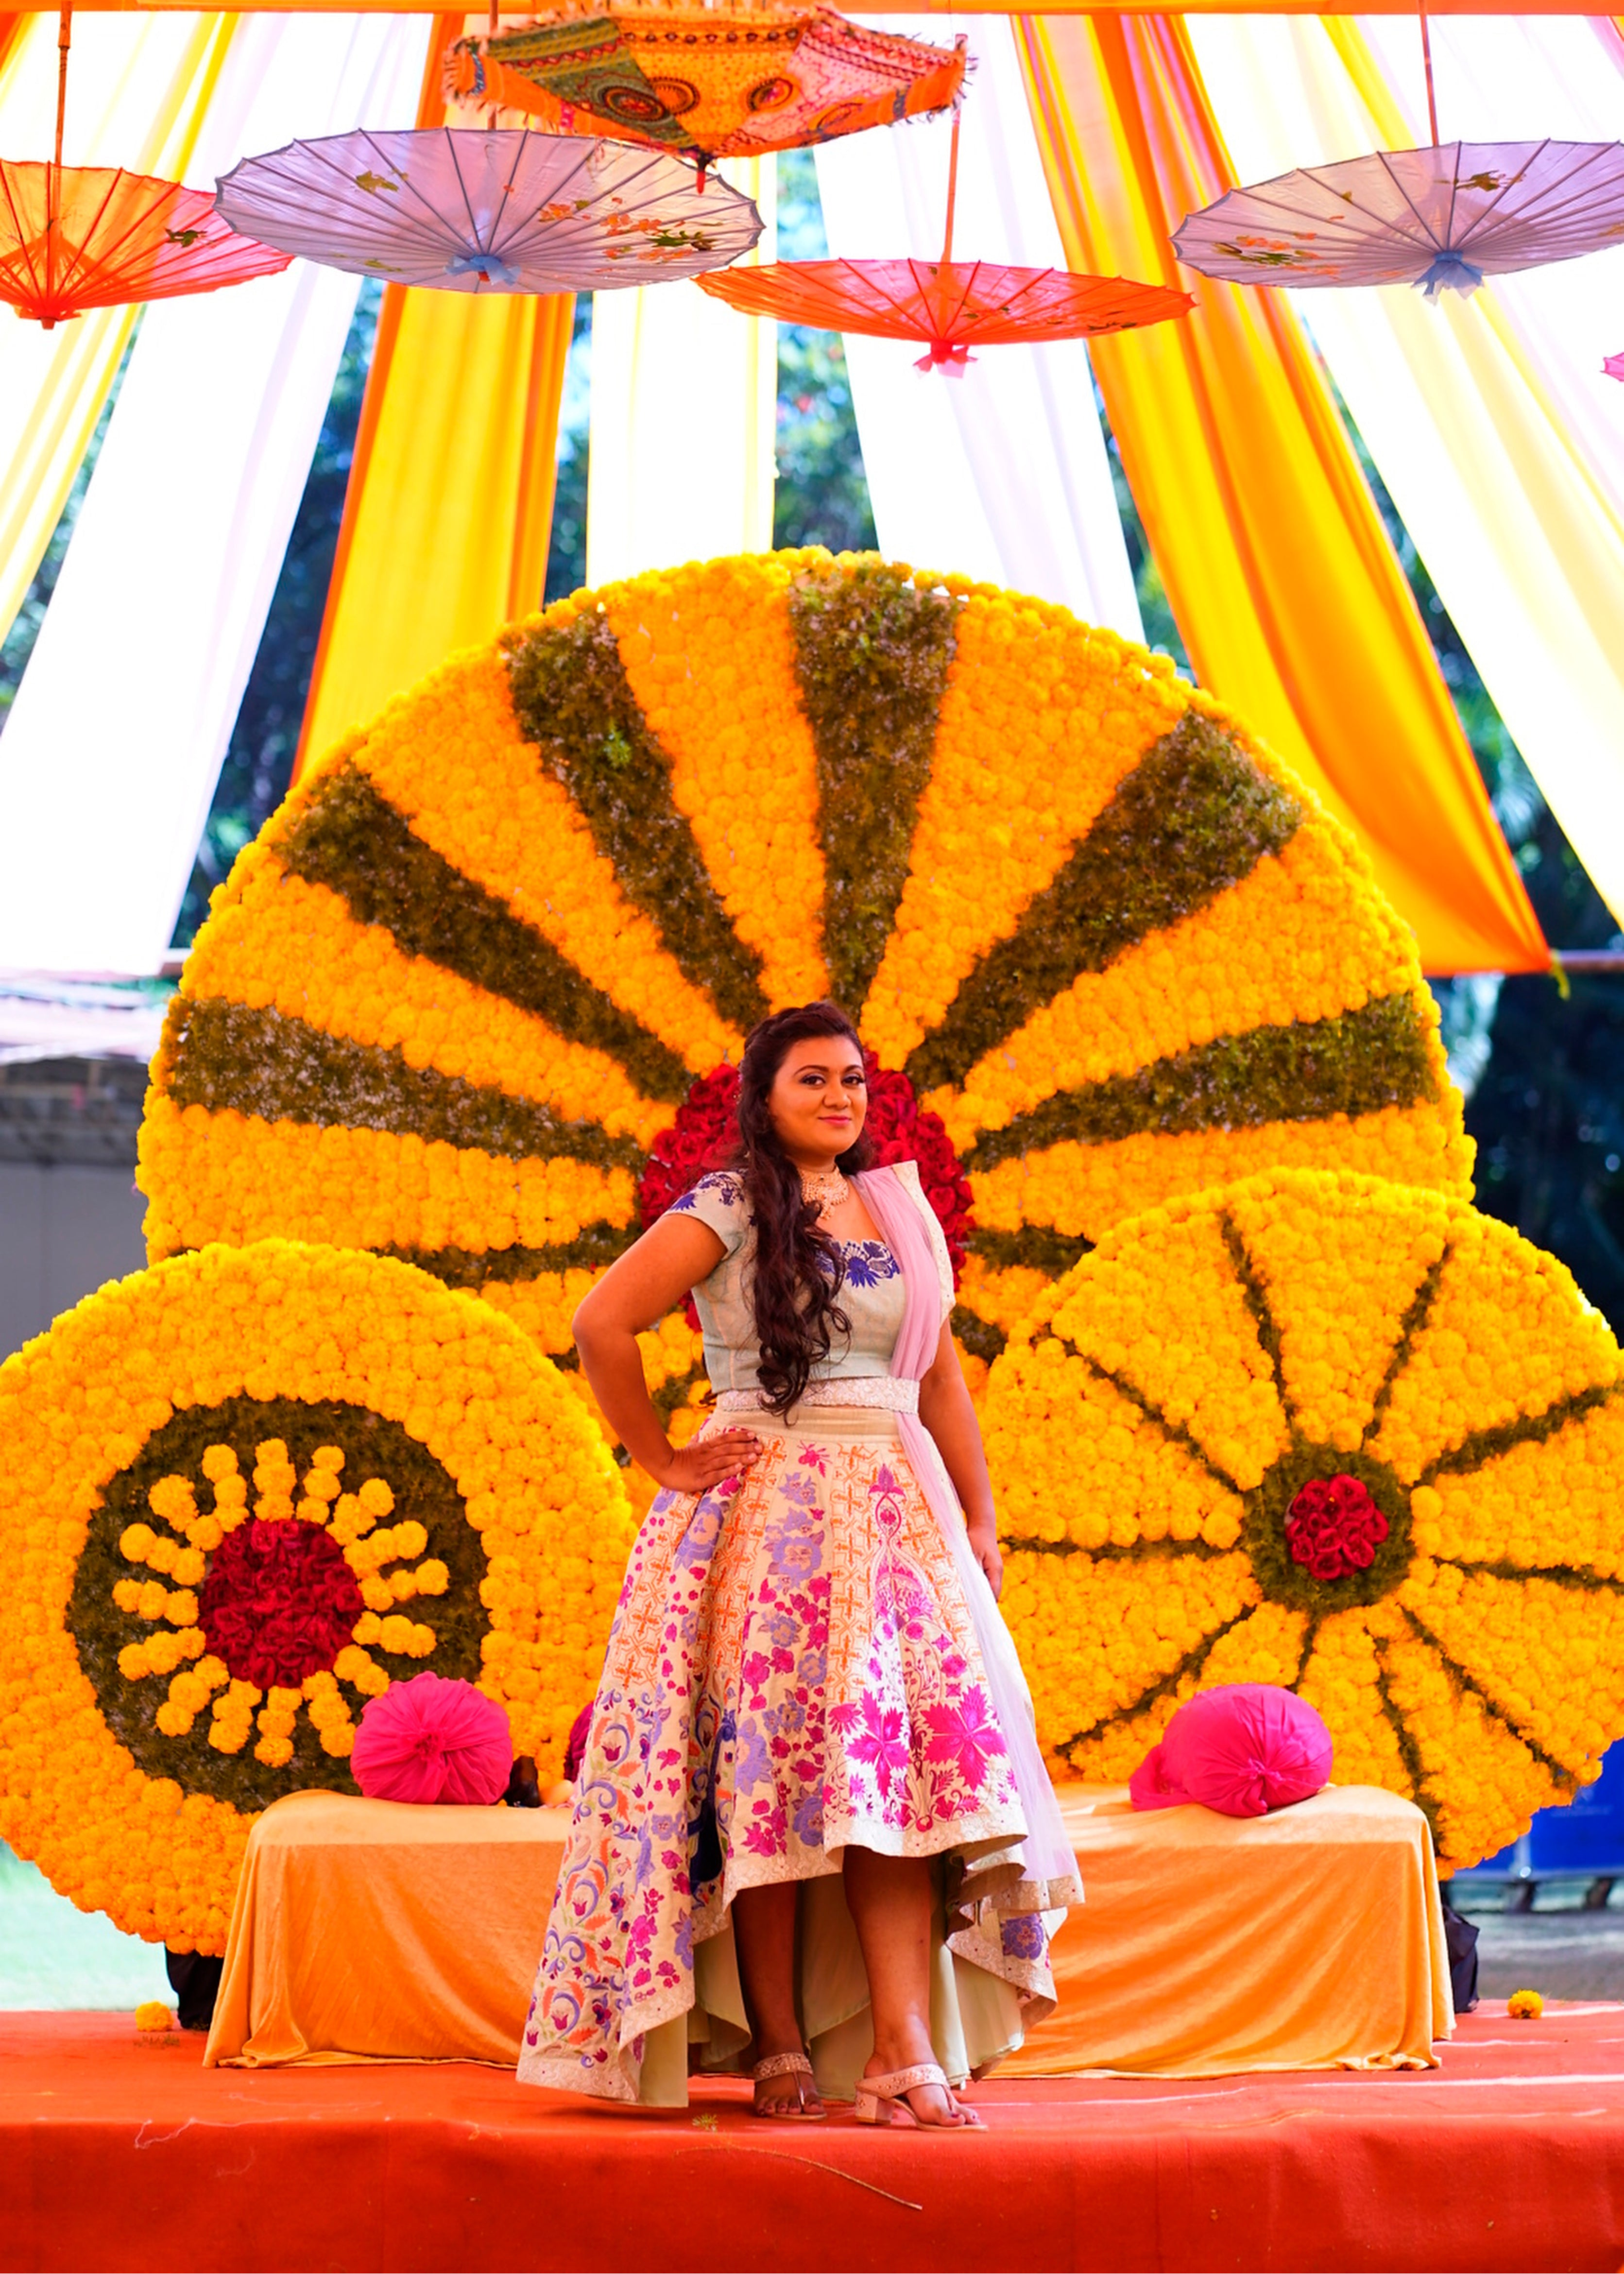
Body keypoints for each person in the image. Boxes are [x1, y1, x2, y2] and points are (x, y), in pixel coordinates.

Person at [517, 1002, 1079, 2131]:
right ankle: (775, 2040)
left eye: (853, 1080)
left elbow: (940, 1383)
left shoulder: (897, 1206)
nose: (839, 1098)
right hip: (762, 1522)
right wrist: (665, 1458)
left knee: (902, 1789)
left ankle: (901, 2047)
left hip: (893, 1520)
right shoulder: (729, 1204)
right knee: (765, 1787)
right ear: (764, 1098)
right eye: (813, 1080)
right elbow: (600, 1323)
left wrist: (979, 1515)